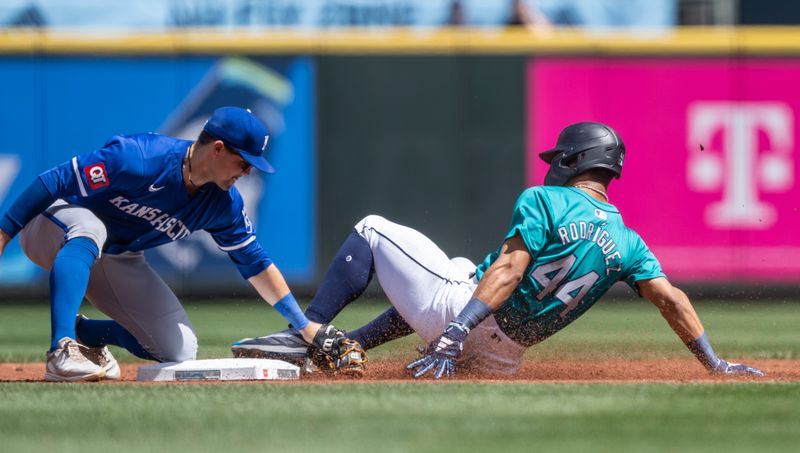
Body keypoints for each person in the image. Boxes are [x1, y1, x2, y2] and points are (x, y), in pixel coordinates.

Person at [233, 122, 765, 379]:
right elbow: (672, 300)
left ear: (575, 160)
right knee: (461, 266)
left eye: (562, 156)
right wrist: (714, 363)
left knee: (372, 229)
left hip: (460, 321)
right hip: (501, 360)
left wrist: (453, 333)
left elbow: (511, 268)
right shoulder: (630, 244)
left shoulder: (547, 199)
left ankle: (307, 335)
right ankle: (355, 344)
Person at [0, 106, 365, 381]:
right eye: (244, 162)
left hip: (119, 255)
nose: (247, 173)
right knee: (89, 227)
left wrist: (304, 326)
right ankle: (61, 349)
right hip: (53, 225)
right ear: (218, 149)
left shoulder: (223, 204)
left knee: (179, 349)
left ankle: (85, 335)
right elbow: (54, 181)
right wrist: (4, 233)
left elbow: (256, 264)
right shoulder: (140, 158)